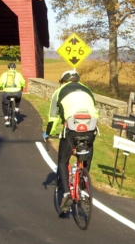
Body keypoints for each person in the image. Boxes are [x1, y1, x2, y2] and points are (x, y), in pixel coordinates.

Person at [43, 70, 99, 214]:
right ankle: (83, 183)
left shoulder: (59, 91)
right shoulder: (88, 90)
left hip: (72, 128)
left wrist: (48, 132)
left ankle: (67, 194)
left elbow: (53, 117)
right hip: (91, 127)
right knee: (87, 150)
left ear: (63, 81)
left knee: (63, 160)